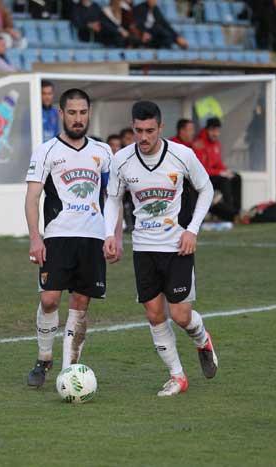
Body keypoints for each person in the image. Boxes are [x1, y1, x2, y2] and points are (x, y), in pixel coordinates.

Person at [103, 101, 217, 397]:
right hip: (144, 248)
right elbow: (113, 198)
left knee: (180, 316)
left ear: (161, 128)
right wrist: (109, 234)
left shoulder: (182, 155)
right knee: (154, 315)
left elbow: (206, 189)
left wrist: (192, 230)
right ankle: (177, 376)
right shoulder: (121, 160)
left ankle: (202, 340)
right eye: (138, 130)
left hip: (178, 245)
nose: (143, 137)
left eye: (150, 131)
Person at [25, 88, 120, 387]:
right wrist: (35, 238)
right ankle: (44, 358)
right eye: (72, 113)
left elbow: (114, 197)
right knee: (49, 299)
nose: (78, 119)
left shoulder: (104, 152)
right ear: (61, 114)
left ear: (89, 113)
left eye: (82, 113)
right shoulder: (46, 151)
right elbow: (32, 198)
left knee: (80, 303)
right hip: (57, 236)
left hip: (93, 237)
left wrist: (115, 235)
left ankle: (69, 371)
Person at [193, 117, 242, 222]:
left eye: (217, 130)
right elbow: (200, 169)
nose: (215, 133)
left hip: (213, 175)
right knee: (225, 181)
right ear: (207, 130)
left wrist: (226, 171)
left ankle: (237, 211)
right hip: (203, 178)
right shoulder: (199, 144)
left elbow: (217, 163)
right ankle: (230, 214)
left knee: (236, 177)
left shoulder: (216, 143)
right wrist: (220, 172)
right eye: (212, 130)